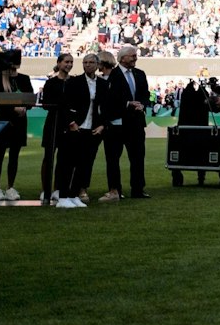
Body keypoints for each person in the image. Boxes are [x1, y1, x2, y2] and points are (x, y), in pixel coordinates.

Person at [98, 44, 151, 200]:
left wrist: (142, 103)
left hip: (136, 124)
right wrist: (128, 104)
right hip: (116, 124)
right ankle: (115, 190)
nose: (135, 58)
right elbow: (109, 100)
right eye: (132, 55)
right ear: (122, 58)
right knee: (113, 159)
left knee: (138, 158)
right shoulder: (112, 76)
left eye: (135, 55)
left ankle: (138, 190)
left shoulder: (140, 74)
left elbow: (145, 94)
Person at [56, 53, 106, 207]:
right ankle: (63, 197)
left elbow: (106, 107)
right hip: (76, 127)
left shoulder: (103, 84)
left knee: (84, 164)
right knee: (68, 163)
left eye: (91, 62)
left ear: (97, 65)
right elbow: (64, 104)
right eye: (85, 62)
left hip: (92, 129)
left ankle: (74, 195)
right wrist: (71, 122)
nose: (88, 65)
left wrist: (102, 125)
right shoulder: (74, 82)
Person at [0, 51, 31, 203]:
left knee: (14, 155)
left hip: (19, 122)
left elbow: (30, 98)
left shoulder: (24, 78)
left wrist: (24, 108)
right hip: (2, 121)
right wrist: (13, 109)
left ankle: (11, 187)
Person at [37, 52, 73, 205]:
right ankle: (46, 189)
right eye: (66, 62)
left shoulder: (74, 82)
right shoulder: (51, 83)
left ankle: (58, 189)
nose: (69, 65)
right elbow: (46, 104)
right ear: (59, 63)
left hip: (69, 124)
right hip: (53, 123)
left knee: (64, 159)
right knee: (48, 157)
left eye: (71, 62)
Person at [175, 77, 211, 186]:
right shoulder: (202, 96)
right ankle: (201, 178)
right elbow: (203, 95)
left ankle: (177, 177)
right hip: (200, 131)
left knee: (181, 153)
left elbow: (188, 93)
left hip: (185, 131)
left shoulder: (186, 96)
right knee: (201, 155)